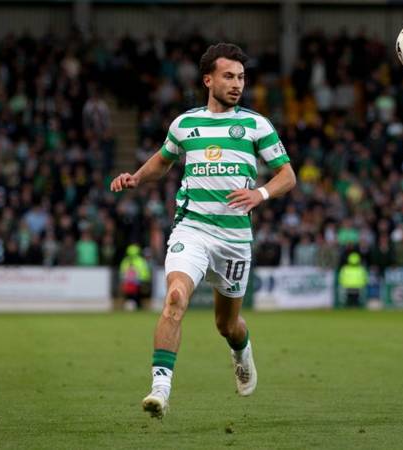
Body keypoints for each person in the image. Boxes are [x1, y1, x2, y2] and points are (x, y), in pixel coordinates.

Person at [109, 43, 296, 419]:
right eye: (229, 76)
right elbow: (163, 161)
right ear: (208, 80)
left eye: (241, 77)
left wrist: (260, 194)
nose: (237, 84)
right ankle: (160, 391)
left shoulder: (256, 125)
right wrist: (137, 177)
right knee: (175, 298)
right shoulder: (184, 124)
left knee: (227, 325)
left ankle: (241, 352)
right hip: (191, 229)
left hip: (234, 240)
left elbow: (287, 176)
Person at [119, 244, 151, 309]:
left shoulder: (125, 261)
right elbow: (145, 273)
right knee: (133, 292)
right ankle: (136, 304)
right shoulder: (141, 260)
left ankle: (133, 304)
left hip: (135, 282)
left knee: (133, 292)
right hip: (135, 282)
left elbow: (122, 273)